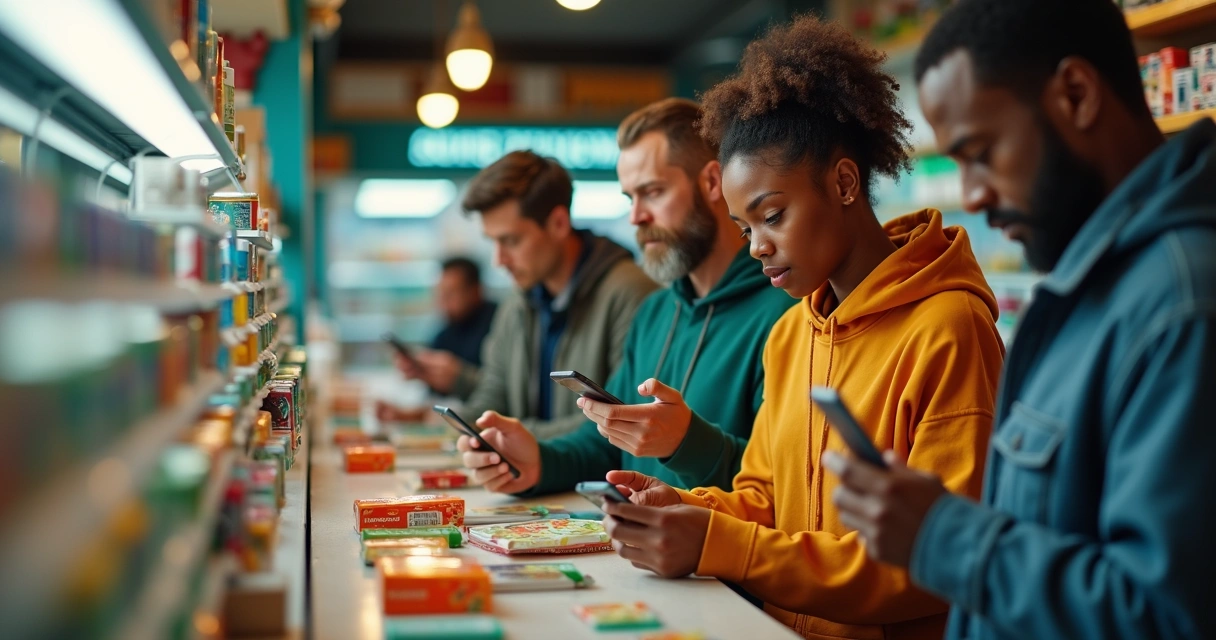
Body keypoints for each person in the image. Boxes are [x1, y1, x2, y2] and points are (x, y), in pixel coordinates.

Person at [595, 16, 1006, 640]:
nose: (757, 247)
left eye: (773, 216)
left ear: (844, 183)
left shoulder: (949, 330)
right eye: (745, 229)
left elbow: (933, 564)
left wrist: (718, 545)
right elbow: (765, 501)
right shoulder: (791, 335)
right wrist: (686, 507)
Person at [826, 1, 1216, 638]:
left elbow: (1167, 618)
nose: (973, 195)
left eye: (981, 152)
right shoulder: (1088, 285)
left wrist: (944, 536)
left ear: (1076, 94)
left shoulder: (1182, 304)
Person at [456, 98, 795, 497]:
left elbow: (783, 487)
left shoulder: (784, 313)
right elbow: (604, 443)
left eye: (652, 192)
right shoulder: (655, 312)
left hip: (717, 557)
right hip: (641, 552)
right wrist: (538, 462)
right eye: (629, 198)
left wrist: (685, 442)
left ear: (712, 183)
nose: (636, 217)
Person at [412, 150, 657, 440]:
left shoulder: (631, 294)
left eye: (511, 241)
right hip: (529, 480)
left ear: (558, 223)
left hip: (598, 483)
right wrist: (437, 427)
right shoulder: (518, 301)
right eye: (493, 242)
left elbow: (625, 421)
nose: (498, 260)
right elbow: (492, 398)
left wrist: (514, 436)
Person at [390, 257, 497, 398]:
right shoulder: (444, 332)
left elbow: (502, 390)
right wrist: (423, 373)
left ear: (476, 290)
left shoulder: (499, 323)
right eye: (440, 293)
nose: (443, 302)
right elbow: (434, 397)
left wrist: (459, 377)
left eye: (451, 293)